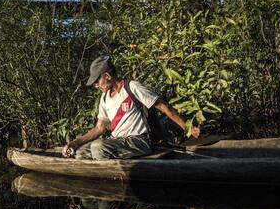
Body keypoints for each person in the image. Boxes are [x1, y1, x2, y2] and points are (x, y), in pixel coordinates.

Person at [62, 56, 200, 159]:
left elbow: (163, 107)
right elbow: (99, 128)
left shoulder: (131, 87)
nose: (96, 86)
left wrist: (187, 128)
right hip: (118, 142)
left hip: (139, 141)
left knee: (98, 148)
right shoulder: (104, 98)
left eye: (97, 81)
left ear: (108, 76)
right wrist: (75, 143)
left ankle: (115, 183)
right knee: (80, 153)